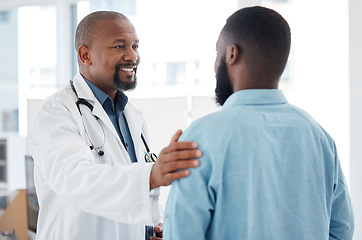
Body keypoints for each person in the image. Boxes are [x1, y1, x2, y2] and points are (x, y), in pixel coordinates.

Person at [163, 6, 354, 240]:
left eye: (217, 53)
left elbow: (183, 234)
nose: (215, 65)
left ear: (232, 54)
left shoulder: (199, 138)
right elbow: (342, 230)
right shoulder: (319, 136)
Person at [29, 11, 201, 240]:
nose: (133, 56)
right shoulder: (56, 113)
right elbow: (75, 180)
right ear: (85, 54)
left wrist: (155, 225)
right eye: (120, 47)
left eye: (135, 46)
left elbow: (132, 193)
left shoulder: (132, 116)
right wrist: (152, 174)